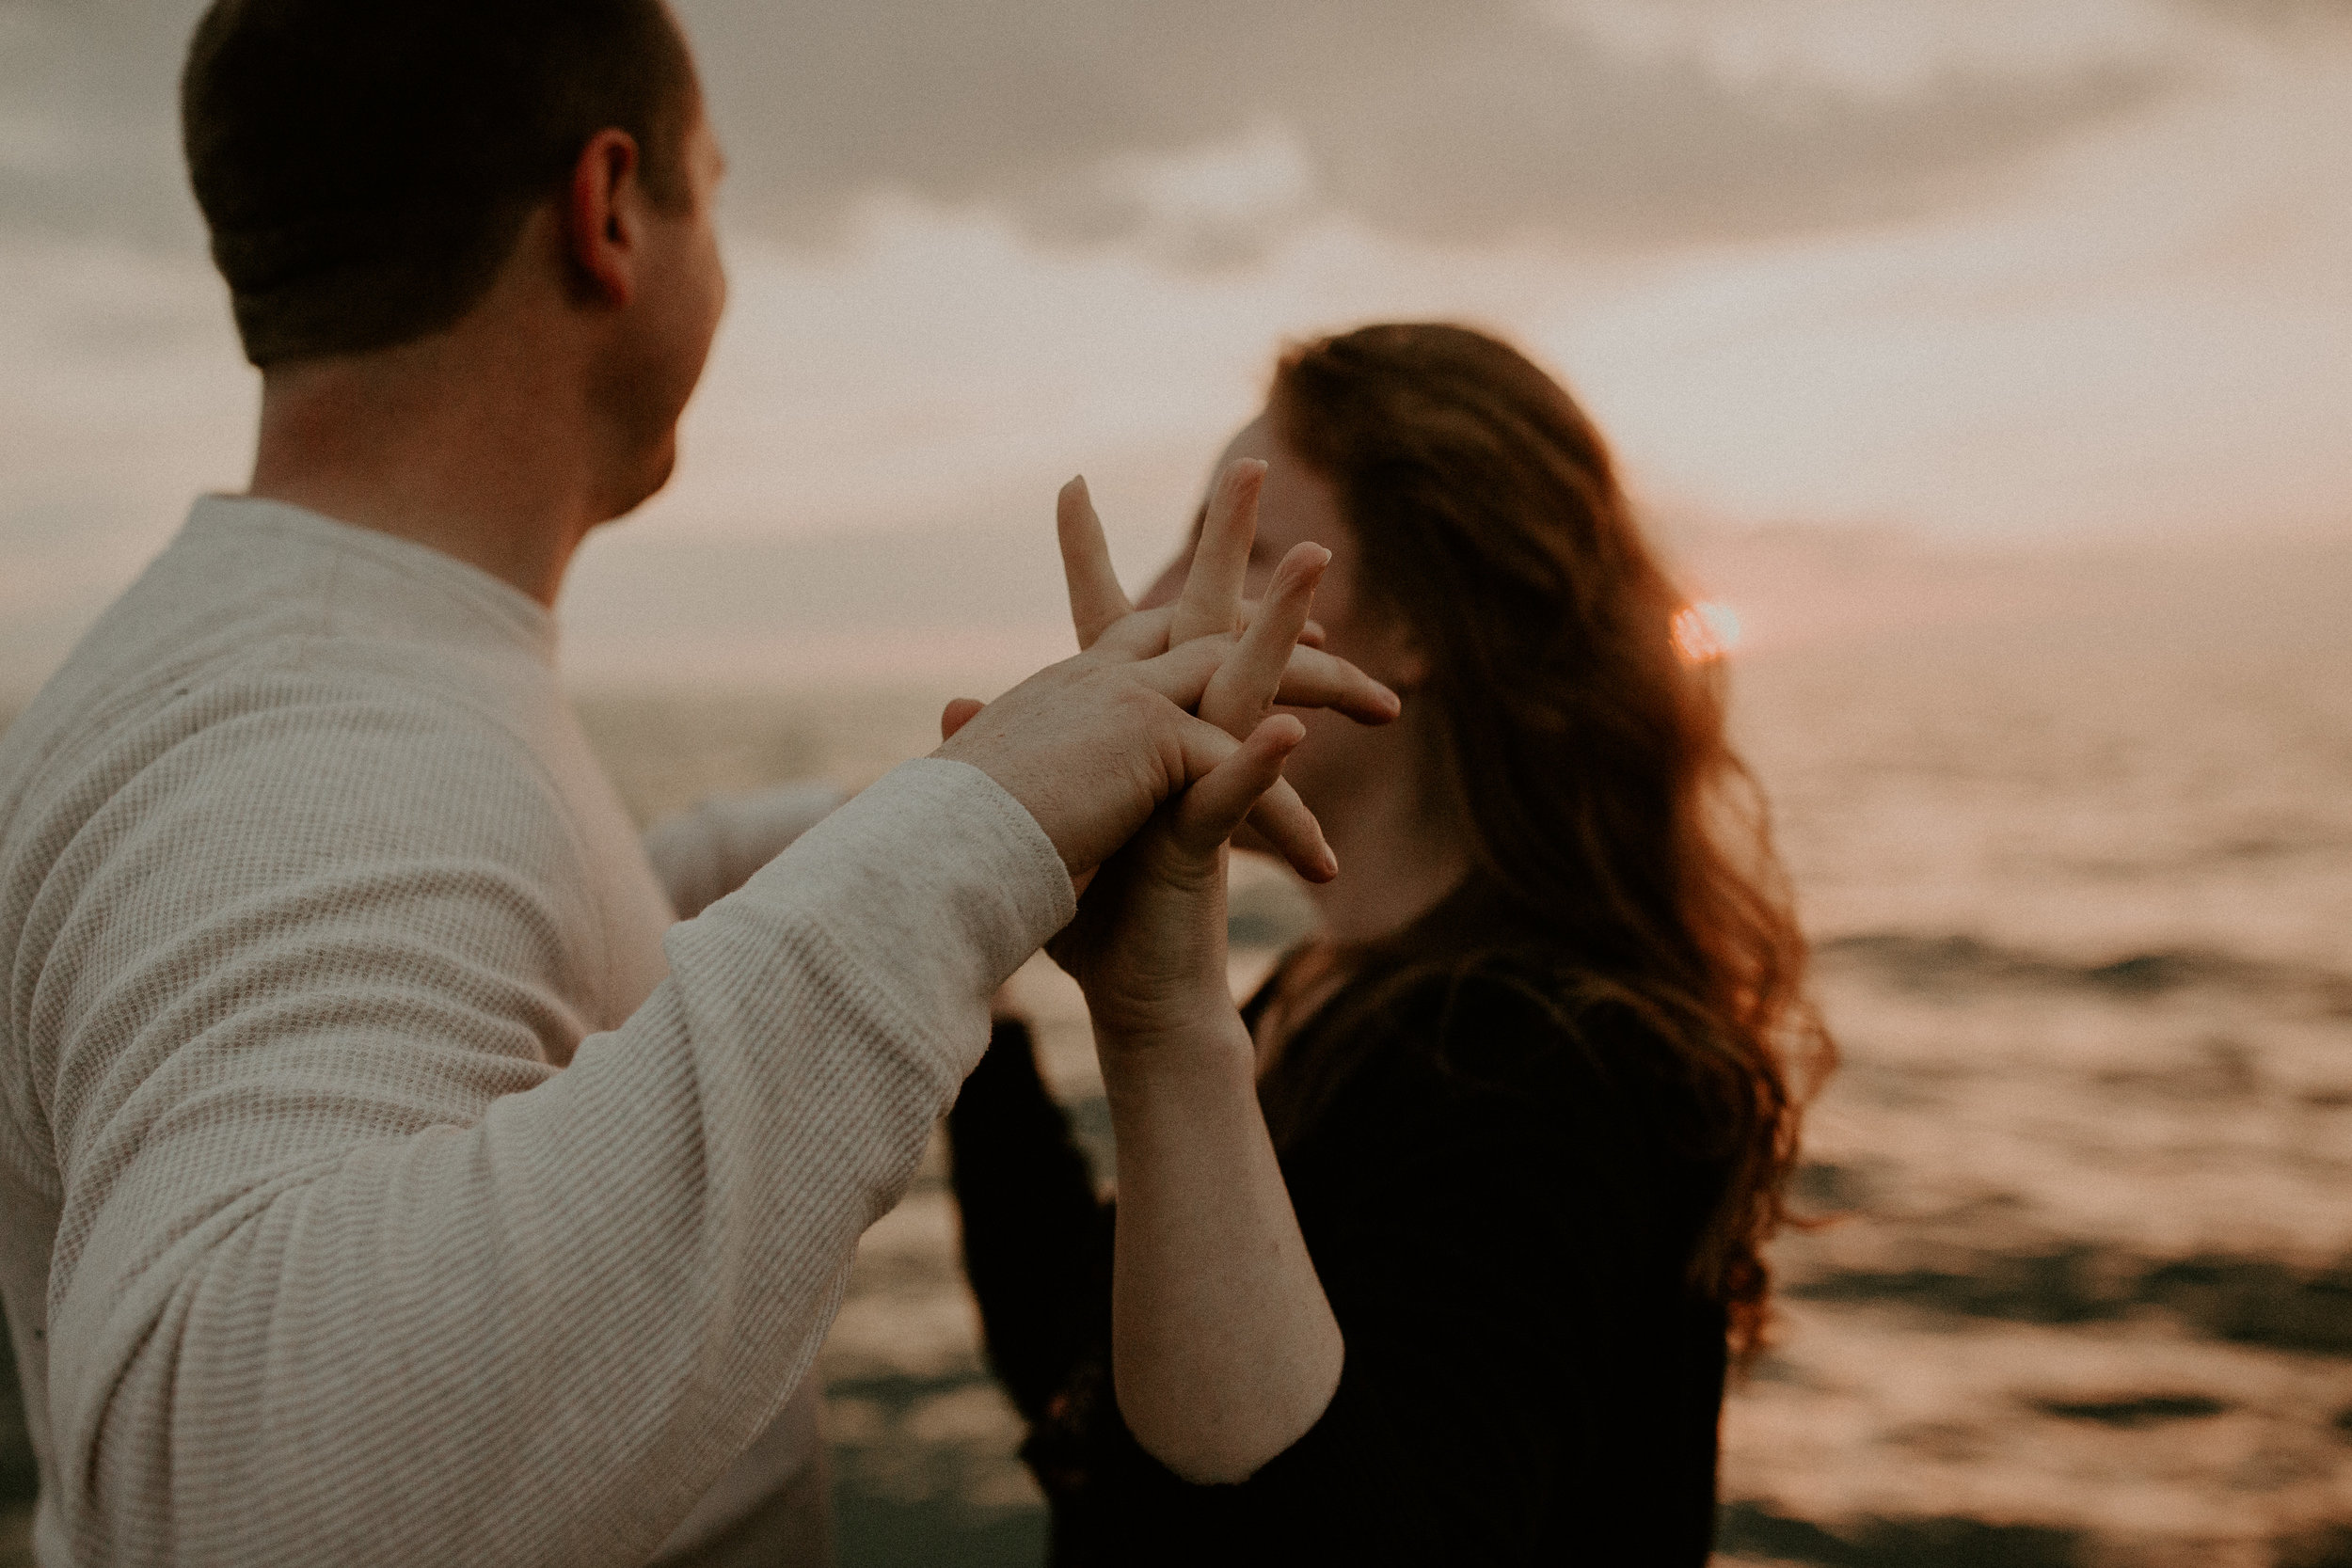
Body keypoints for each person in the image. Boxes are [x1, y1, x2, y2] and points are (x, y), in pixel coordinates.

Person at [0, 5, 1398, 1565]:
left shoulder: (332, 667)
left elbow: (494, 962)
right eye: (715, 192)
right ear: (610, 213)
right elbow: (238, 1493)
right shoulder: (316, 732)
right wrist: (973, 835)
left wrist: (972, 817)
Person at [948, 323, 1836, 1565]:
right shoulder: (1328, 994)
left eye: (1237, 554)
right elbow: (1091, 1363)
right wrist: (976, 1020)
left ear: (1422, 620)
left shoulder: (1549, 1065)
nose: (1152, 610)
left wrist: (1162, 1030)